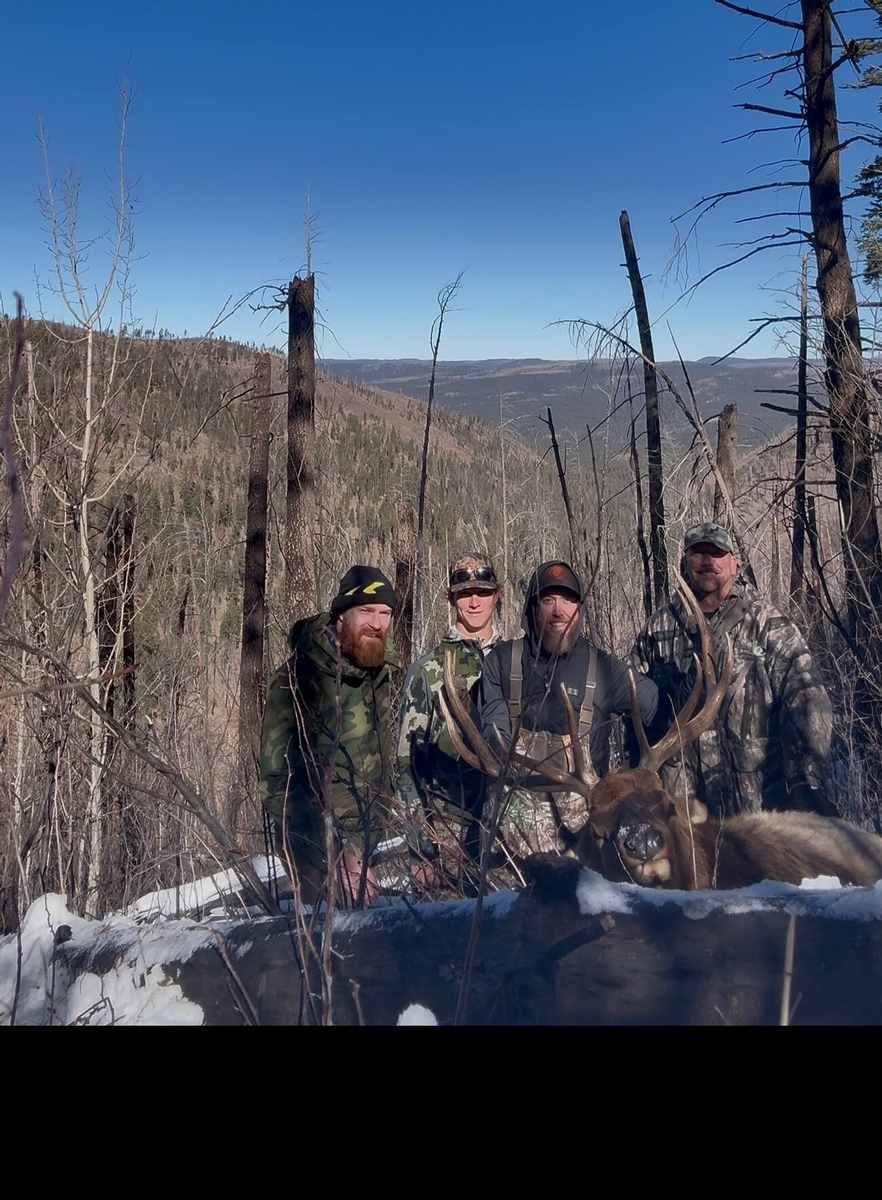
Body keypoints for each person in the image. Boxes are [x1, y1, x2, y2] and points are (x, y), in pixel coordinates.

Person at [631, 521, 835, 819]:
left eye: (717, 553)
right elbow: (633, 711)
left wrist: (805, 781)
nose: (707, 561)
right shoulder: (658, 628)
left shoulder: (767, 623)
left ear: (734, 563)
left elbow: (808, 700)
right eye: (698, 553)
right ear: (684, 562)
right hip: (685, 815)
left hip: (759, 811)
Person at [477, 560, 661, 863]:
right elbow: (493, 740)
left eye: (568, 600)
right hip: (507, 856)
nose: (558, 610)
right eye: (548, 600)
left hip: (581, 853)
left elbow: (660, 710)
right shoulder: (501, 662)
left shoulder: (604, 669)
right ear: (533, 609)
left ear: (579, 608)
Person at [259, 565, 399, 907]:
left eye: (385, 613)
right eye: (365, 611)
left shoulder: (383, 673)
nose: (377, 624)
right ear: (340, 616)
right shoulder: (298, 677)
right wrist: (332, 856)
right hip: (315, 850)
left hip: (370, 838)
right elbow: (278, 783)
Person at [396, 552, 502, 894]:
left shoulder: (515, 662)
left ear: (497, 594)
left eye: (483, 592)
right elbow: (405, 767)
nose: (474, 601)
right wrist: (421, 852)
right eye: (464, 593)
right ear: (449, 597)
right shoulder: (428, 671)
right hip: (447, 839)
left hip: (507, 836)